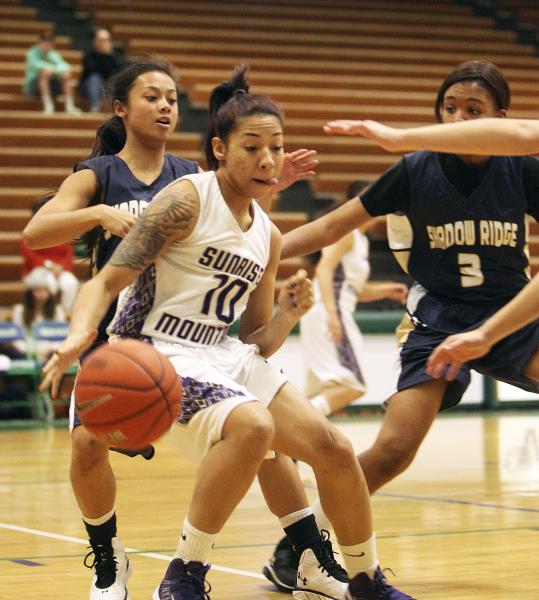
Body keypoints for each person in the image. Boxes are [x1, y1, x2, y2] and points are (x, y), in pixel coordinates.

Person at [40, 65, 415, 600]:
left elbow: (255, 341)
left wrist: (286, 315)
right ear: (220, 149)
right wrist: (80, 335)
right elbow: (104, 283)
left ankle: (365, 580)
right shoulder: (186, 199)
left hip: (220, 353)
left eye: (277, 148)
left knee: (333, 447)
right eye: (252, 147)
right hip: (151, 349)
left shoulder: (269, 235)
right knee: (253, 428)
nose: (268, 160)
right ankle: (182, 577)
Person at [266, 60, 539, 586]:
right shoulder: (416, 169)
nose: (458, 118)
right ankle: (299, 544)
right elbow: (329, 227)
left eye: (473, 111)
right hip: (437, 319)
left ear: (500, 119)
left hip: (508, 316)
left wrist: (491, 331)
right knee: (394, 450)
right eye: (450, 108)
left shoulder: (523, 170)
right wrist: (260, 251)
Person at [300, 180, 408, 417]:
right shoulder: (346, 233)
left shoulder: (361, 240)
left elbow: (353, 288)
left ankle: (285, 444)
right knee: (351, 385)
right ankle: (289, 428)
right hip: (328, 311)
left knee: (322, 388)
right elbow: (323, 270)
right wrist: (332, 315)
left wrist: (385, 290)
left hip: (328, 310)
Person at [20, 192, 80, 314]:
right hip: (37, 270)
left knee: (72, 284)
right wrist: (49, 266)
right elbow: (30, 256)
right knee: (48, 284)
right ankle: (48, 313)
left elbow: (68, 255)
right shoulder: (29, 232)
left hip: (59, 270)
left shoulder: (63, 231)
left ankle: (66, 313)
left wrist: (60, 267)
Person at [12, 266, 66, 362]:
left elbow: (60, 336)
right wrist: (29, 351)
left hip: (50, 352)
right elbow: (16, 337)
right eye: (37, 290)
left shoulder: (58, 311)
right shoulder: (19, 310)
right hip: (25, 352)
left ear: (50, 293)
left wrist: (49, 350)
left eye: (44, 290)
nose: (40, 294)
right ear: (30, 292)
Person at [23, 30, 80, 115]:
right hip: (33, 87)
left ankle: (69, 106)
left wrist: (53, 70)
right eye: (45, 41)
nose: (47, 44)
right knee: (45, 73)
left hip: (52, 85)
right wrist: (51, 69)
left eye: (49, 42)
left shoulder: (53, 55)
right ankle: (48, 105)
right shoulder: (32, 53)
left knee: (65, 75)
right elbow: (35, 65)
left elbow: (66, 67)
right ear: (40, 42)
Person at [79, 28, 124, 112]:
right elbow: (93, 70)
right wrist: (103, 56)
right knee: (95, 78)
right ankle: (95, 107)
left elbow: (117, 71)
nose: (103, 43)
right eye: (101, 40)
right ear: (95, 41)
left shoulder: (114, 56)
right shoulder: (89, 55)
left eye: (106, 40)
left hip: (107, 86)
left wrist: (109, 56)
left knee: (117, 80)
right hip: (89, 87)